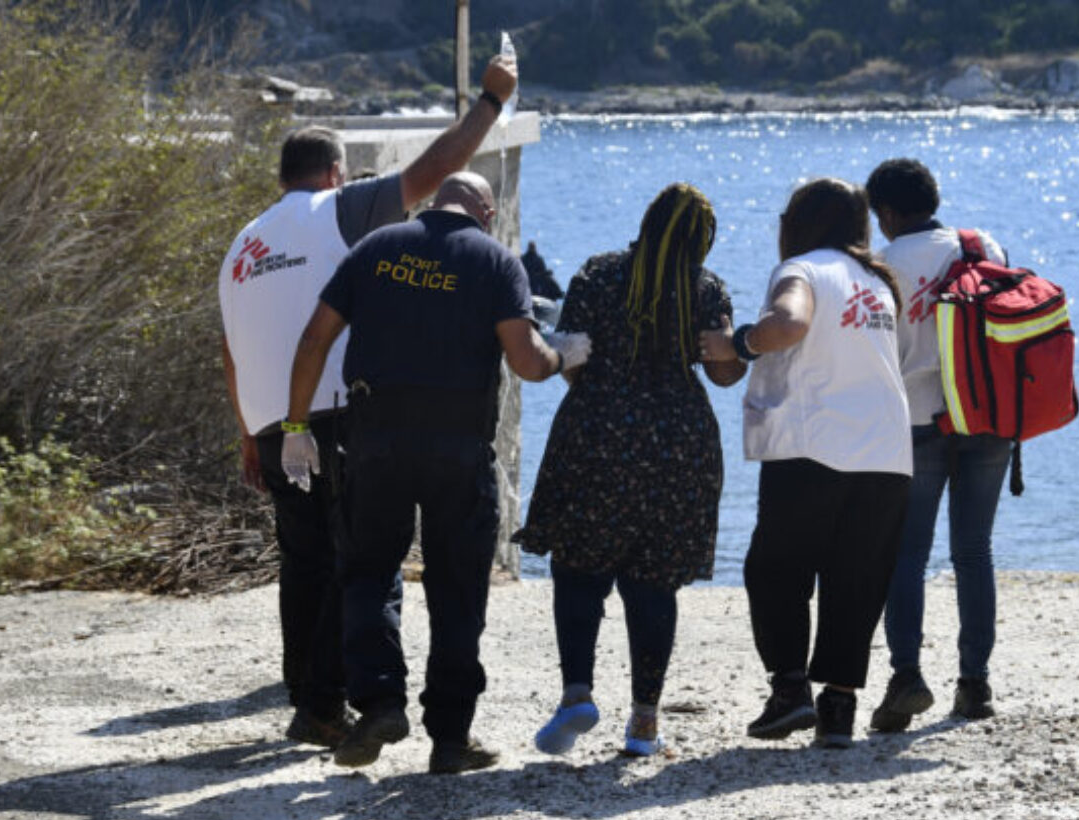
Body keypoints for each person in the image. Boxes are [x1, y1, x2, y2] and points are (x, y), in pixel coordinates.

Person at [218, 55, 518, 749]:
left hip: (271, 421)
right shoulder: (342, 210)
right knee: (358, 562)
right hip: (329, 415)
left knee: (305, 563)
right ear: (333, 174)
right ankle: (351, 701)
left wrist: (248, 432)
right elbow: (435, 171)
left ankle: (314, 704)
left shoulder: (245, 241)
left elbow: (230, 346)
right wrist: (490, 102)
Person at [282, 172, 591, 775]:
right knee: (457, 590)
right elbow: (527, 363)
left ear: (433, 203)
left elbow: (315, 338)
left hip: (375, 440)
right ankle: (451, 739)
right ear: (487, 210)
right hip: (458, 446)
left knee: (367, 573)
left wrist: (296, 429)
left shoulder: (376, 248)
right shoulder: (497, 262)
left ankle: (377, 704)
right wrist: (563, 355)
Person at [515, 183, 745, 757]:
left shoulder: (598, 273)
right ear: (703, 239)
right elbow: (723, 374)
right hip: (680, 444)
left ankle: (577, 695)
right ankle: (644, 723)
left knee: (578, 571)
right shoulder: (706, 287)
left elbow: (573, 358)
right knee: (653, 583)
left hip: (597, 434)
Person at [700, 178, 912, 748]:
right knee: (857, 580)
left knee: (775, 571)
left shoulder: (804, 270)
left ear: (798, 223)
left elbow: (789, 325)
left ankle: (790, 690)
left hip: (813, 444)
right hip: (887, 453)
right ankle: (839, 707)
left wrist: (737, 343)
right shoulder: (877, 282)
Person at [864, 158, 1011, 731]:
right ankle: (975, 685)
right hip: (987, 416)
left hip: (917, 420)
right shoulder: (981, 246)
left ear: (888, 212)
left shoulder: (882, 265)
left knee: (907, 555)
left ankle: (906, 678)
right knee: (974, 550)